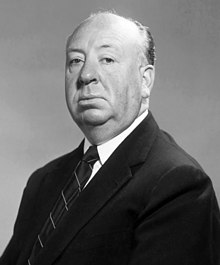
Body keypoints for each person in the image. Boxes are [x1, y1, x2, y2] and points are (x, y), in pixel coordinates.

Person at [1, 11, 220, 265]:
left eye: (107, 59)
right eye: (75, 61)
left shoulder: (178, 184)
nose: (85, 75)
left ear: (145, 79)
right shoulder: (42, 181)